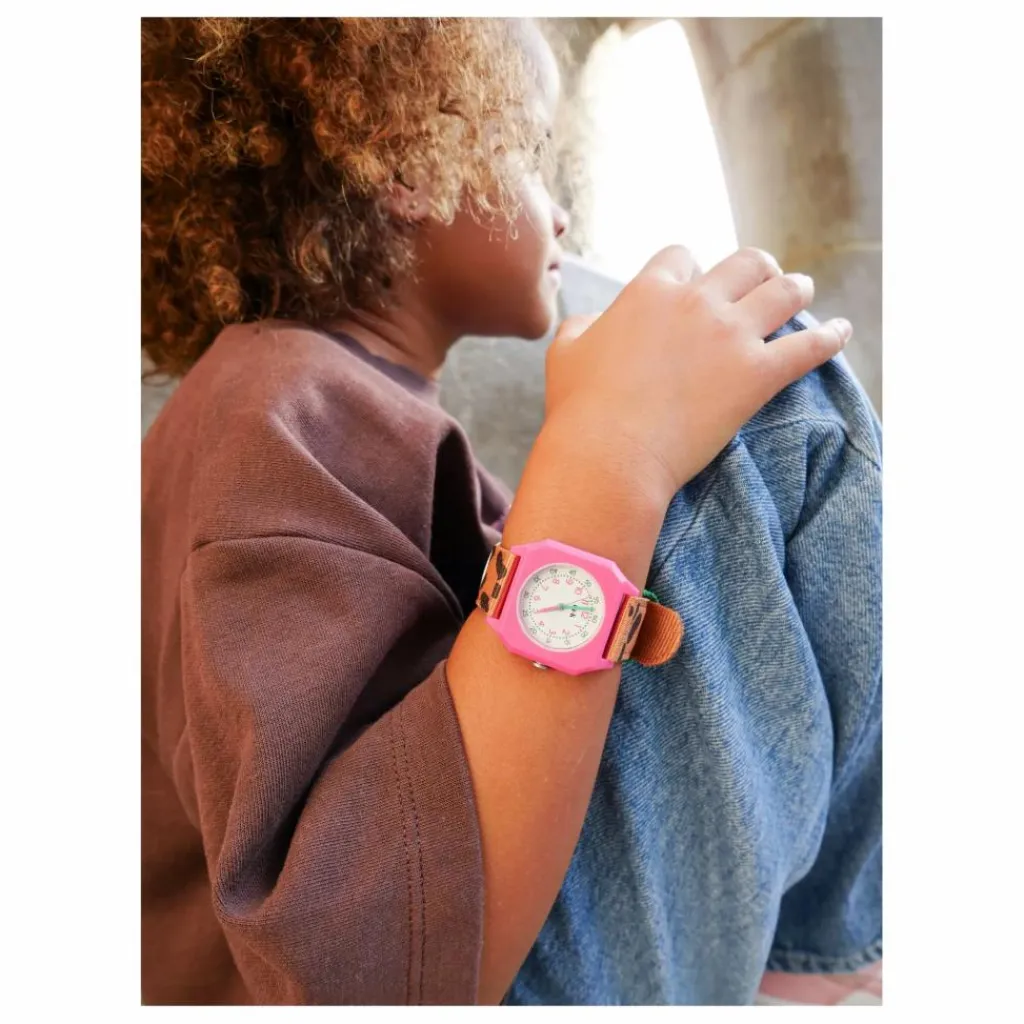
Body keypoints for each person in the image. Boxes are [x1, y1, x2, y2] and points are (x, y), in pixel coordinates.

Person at [141, 16, 881, 1005]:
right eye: (531, 151)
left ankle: (822, 957)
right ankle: (823, 960)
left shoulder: (332, 410)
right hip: (441, 970)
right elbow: (361, 966)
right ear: (408, 163)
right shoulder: (275, 407)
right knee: (783, 407)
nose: (559, 211)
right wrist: (610, 450)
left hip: (488, 933)